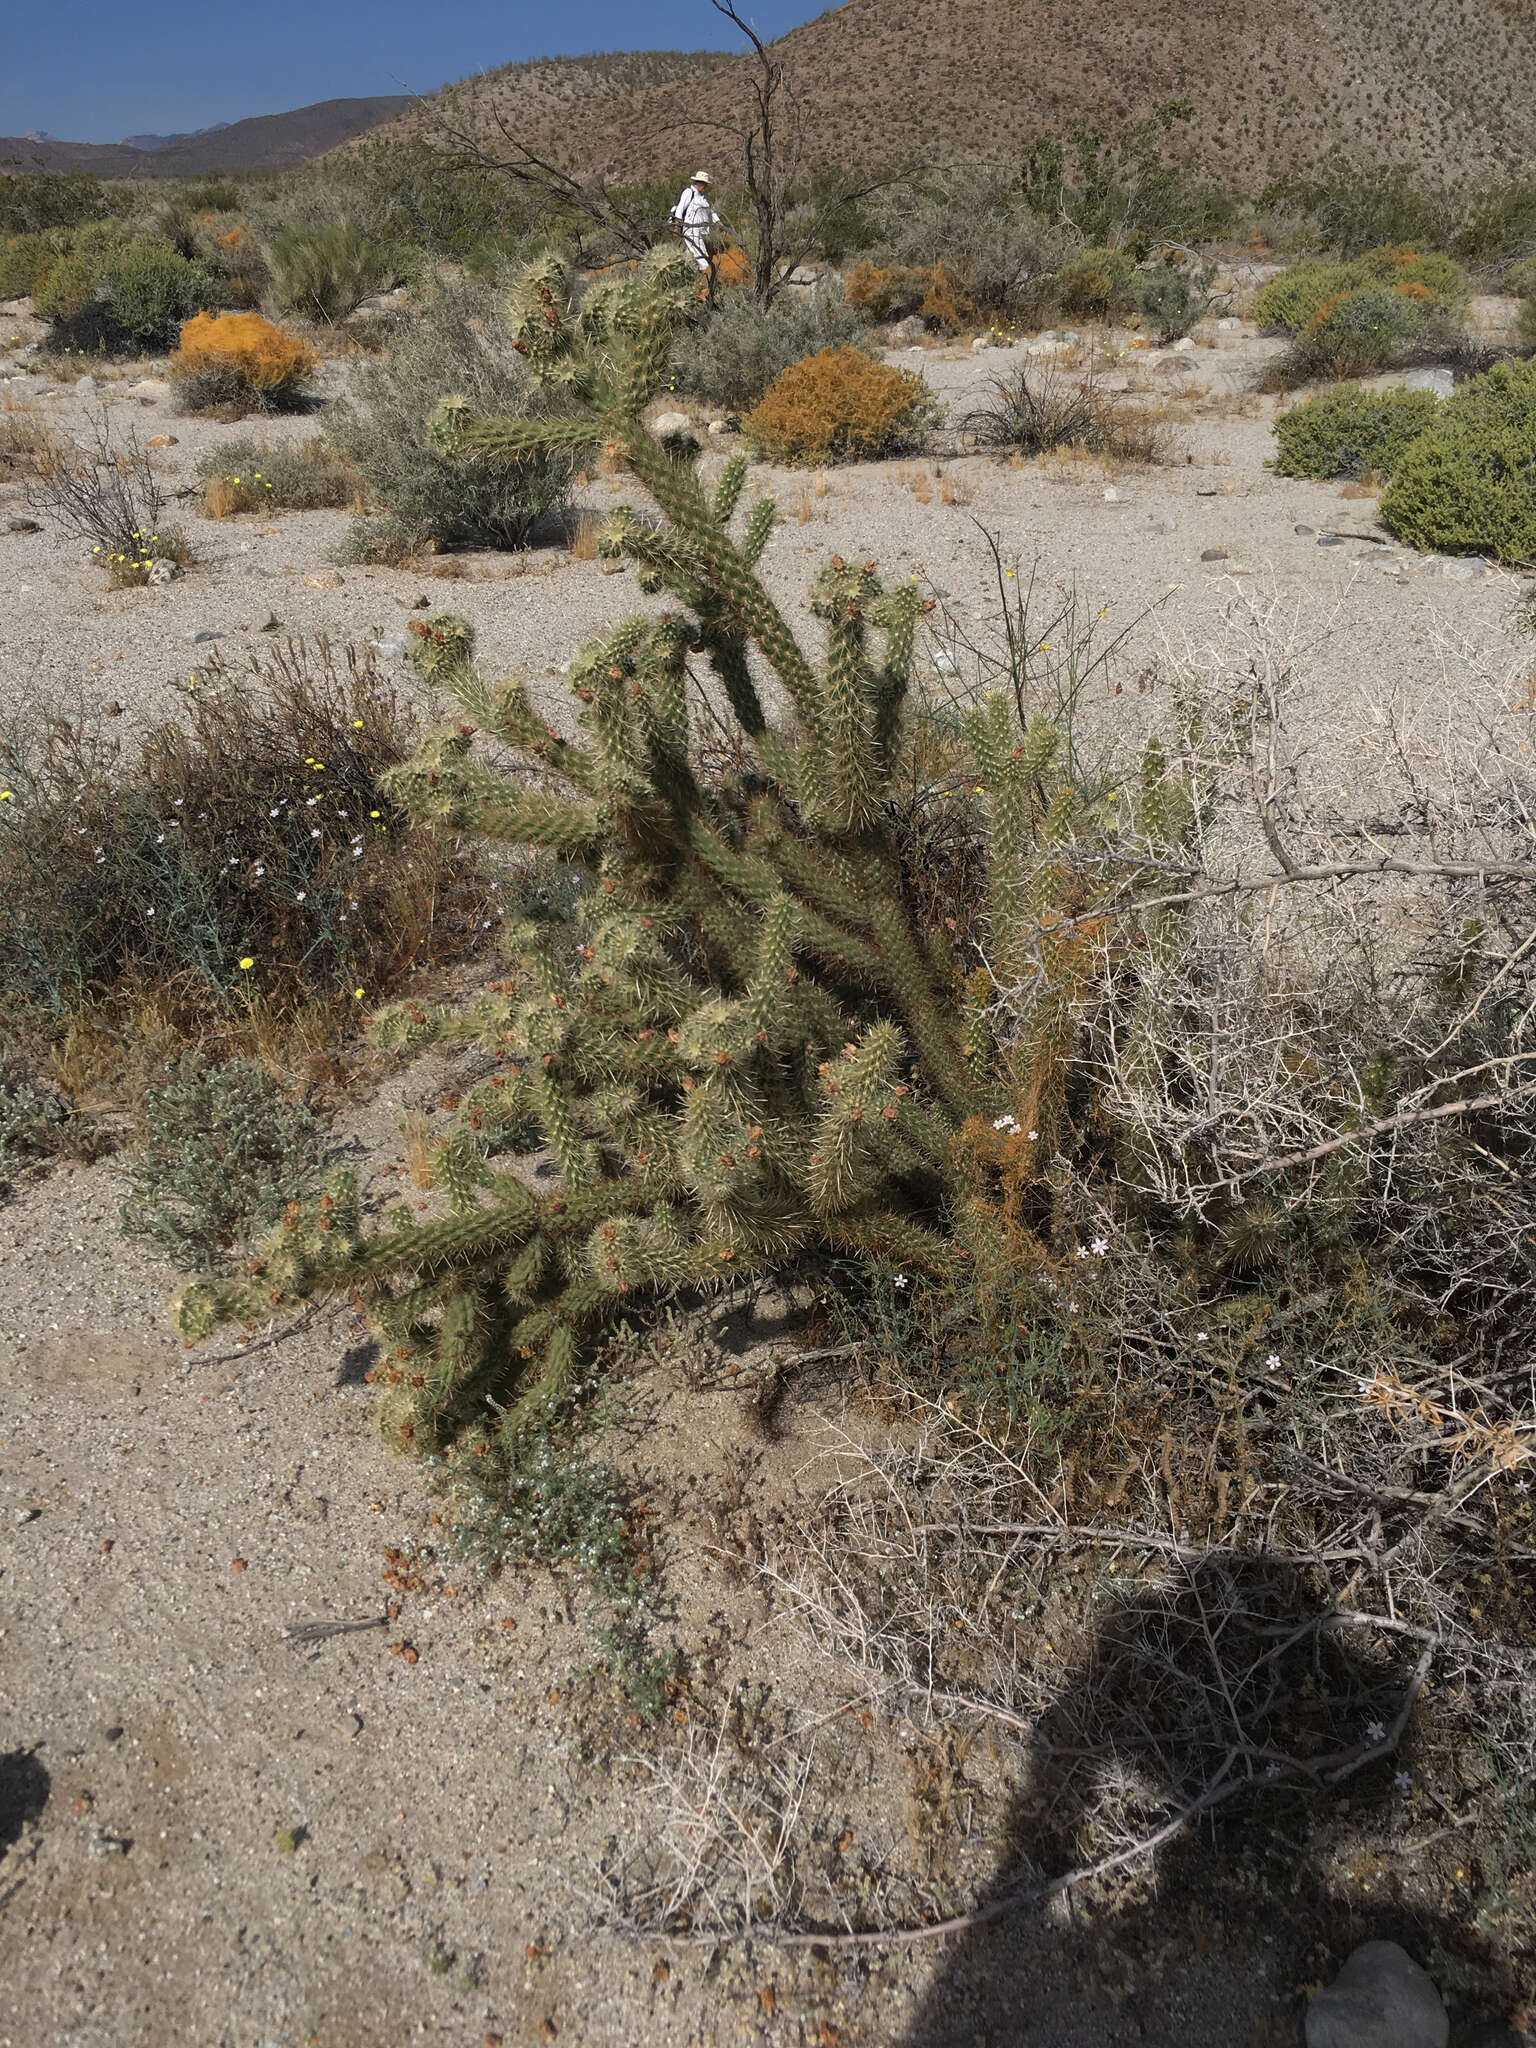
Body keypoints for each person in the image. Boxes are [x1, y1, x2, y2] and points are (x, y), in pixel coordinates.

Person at [669, 171, 721, 286]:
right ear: (700, 183)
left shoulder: (702, 197)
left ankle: (679, 278)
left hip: (699, 231)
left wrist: (718, 221)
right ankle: (709, 282)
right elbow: (680, 209)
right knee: (702, 255)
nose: (706, 187)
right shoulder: (689, 192)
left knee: (688, 256)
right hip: (691, 230)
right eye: (705, 185)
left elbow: (709, 211)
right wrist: (677, 226)